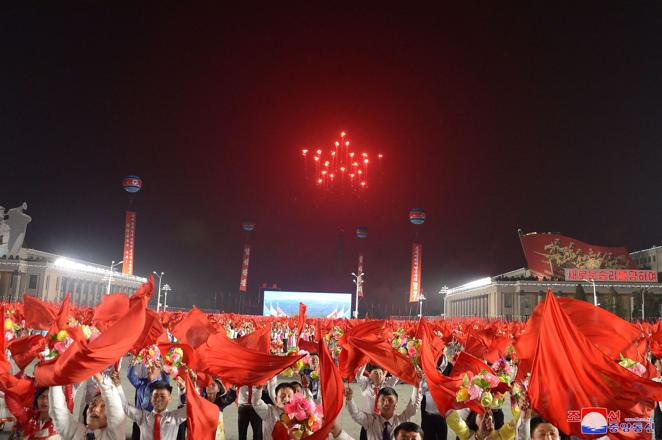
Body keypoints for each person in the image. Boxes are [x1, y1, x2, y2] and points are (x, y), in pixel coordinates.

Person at [49, 372, 125, 439]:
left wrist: (95, 371)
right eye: (93, 403)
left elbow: (115, 405)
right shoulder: (77, 433)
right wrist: (55, 373)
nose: (95, 409)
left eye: (103, 406)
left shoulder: (114, 436)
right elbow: (58, 411)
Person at [345, 381, 422, 440]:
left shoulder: (401, 421)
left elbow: (413, 406)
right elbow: (355, 413)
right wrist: (349, 399)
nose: (386, 403)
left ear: (396, 405)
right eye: (383, 400)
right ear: (377, 405)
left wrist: (417, 384)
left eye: (390, 400)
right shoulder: (370, 421)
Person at [122, 380, 187, 440]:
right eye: (155, 395)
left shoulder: (175, 417)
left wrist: (183, 390)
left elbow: (191, 408)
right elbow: (125, 406)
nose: (158, 399)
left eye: (162, 396)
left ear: (169, 399)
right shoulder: (142, 417)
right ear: (151, 398)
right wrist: (117, 386)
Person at [355, 364, 400, 440]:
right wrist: (364, 361)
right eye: (376, 372)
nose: (379, 375)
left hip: (384, 421)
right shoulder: (365, 384)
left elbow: (396, 375)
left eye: (381, 373)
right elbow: (358, 375)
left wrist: (390, 361)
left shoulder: (387, 384)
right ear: (370, 375)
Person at [127, 362, 170, 440]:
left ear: (158, 371)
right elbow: (130, 376)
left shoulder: (160, 385)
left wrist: (163, 369)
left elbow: (167, 382)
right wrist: (133, 363)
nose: (149, 370)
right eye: (148, 368)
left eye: (152, 368)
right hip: (138, 420)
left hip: (151, 422)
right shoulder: (141, 383)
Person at [420, 355, 448, 440]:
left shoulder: (445, 379)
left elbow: (445, 363)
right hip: (428, 418)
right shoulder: (425, 380)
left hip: (441, 417)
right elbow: (421, 390)